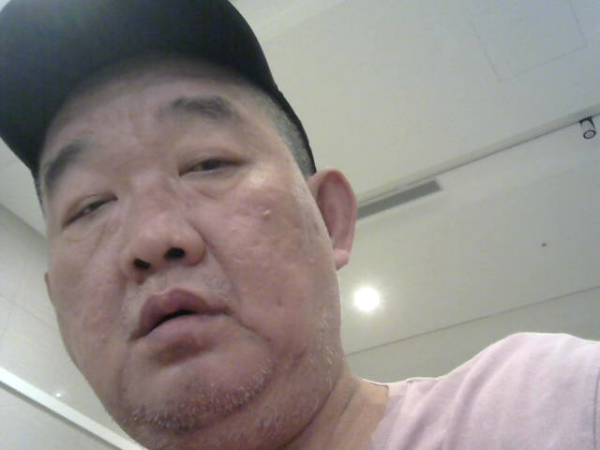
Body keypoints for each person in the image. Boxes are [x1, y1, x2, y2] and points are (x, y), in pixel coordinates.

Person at [0, 1, 598, 450]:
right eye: (90, 206)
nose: (152, 240)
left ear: (330, 219)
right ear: (59, 306)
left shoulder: (547, 408)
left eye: (207, 164)